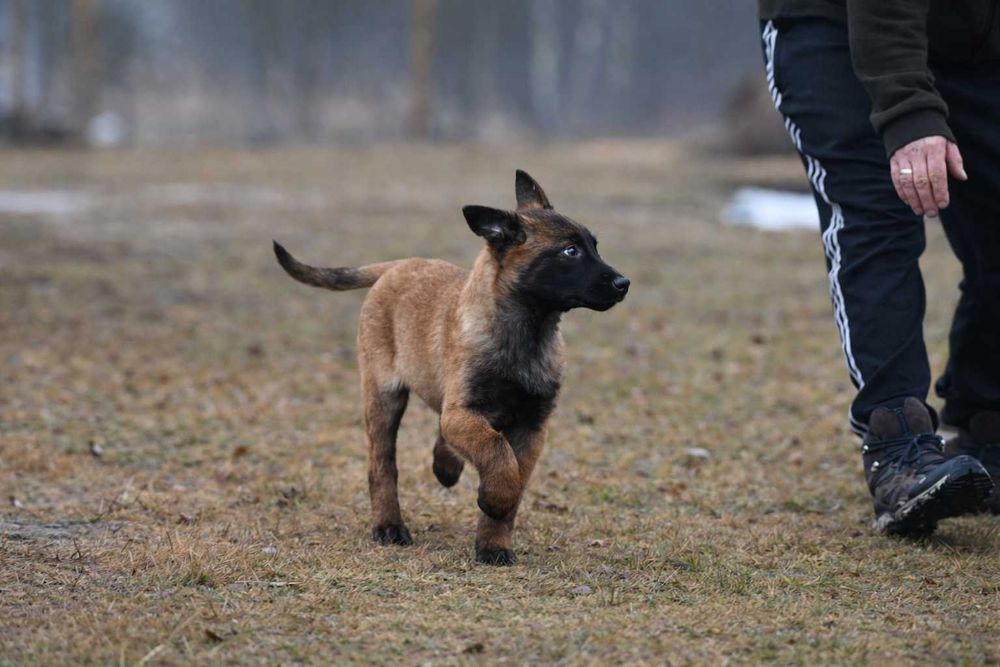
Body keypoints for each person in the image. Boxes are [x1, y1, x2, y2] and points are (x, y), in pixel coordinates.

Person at [757, 0, 1000, 534]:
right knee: (878, 215)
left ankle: (988, 423)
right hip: (832, 24)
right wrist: (908, 112)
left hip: (971, 36)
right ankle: (898, 444)